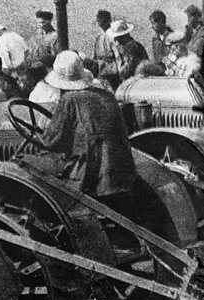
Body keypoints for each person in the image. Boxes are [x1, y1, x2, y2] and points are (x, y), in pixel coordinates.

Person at [26, 50, 136, 196]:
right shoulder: (108, 96)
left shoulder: (70, 99)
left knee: (25, 164)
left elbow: (52, 142)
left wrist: (37, 133)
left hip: (89, 173)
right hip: (123, 169)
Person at [104, 20, 149, 88]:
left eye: (117, 38)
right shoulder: (133, 46)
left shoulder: (129, 48)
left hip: (135, 84)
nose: (115, 40)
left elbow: (126, 71)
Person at [183, 5, 204, 75]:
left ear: (197, 16)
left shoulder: (203, 31)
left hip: (201, 70)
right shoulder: (193, 32)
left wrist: (187, 41)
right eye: (188, 17)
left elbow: (197, 50)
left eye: (190, 16)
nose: (188, 20)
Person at [91, 9, 115, 77]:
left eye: (104, 20)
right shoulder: (98, 39)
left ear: (109, 21)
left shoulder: (116, 37)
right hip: (102, 76)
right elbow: (95, 59)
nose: (102, 23)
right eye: (100, 20)